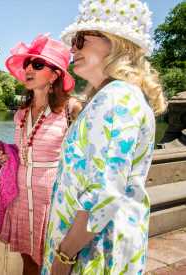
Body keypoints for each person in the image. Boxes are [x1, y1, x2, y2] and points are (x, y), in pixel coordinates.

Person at [41, 0, 167, 274]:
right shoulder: (115, 96)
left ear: (114, 42)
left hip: (92, 254)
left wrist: (64, 258)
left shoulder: (117, 97)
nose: (72, 48)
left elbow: (104, 193)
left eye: (80, 39)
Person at [0, 34, 80, 274]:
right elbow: (25, 150)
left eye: (37, 64)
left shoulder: (71, 109)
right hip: (22, 198)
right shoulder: (20, 114)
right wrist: (9, 156)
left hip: (51, 199)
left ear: (55, 74)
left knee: (54, 262)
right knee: (29, 264)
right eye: (27, 65)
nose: (29, 69)